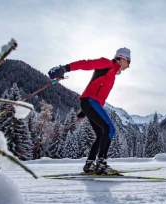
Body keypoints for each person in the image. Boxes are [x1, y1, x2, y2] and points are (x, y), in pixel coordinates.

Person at [48, 47, 131, 175]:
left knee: (100, 134)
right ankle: (101, 164)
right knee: (109, 129)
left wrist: (84, 112)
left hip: (90, 104)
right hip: (91, 102)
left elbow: (95, 91)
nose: (128, 66)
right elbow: (87, 63)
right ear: (122, 58)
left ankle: (89, 164)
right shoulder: (107, 64)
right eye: (128, 61)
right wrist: (65, 68)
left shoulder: (112, 72)